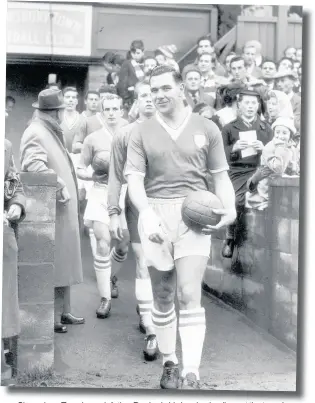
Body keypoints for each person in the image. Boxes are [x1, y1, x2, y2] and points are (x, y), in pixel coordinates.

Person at [125, 65, 236, 389]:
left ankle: (192, 372)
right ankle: (169, 362)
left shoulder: (207, 127)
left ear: (180, 89)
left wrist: (228, 207)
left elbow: (220, 177)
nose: (158, 95)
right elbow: (134, 180)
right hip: (156, 213)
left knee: (188, 292)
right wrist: (145, 213)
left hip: (193, 215)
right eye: (153, 90)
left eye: (164, 88)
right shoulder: (141, 131)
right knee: (162, 293)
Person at [20, 89, 85, 333]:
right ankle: (55, 317)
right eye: (60, 110)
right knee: (57, 262)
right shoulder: (36, 131)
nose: (62, 113)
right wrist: (58, 183)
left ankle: (64, 311)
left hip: (62, 207)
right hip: (52, 207)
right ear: (54, 112)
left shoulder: (47, 128)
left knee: (65, 262)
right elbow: (32, 164)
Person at [108, 81, 158, 360]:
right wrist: (113, 211)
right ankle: (151, 330)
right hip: (136, 206)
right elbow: (115, 176)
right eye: (143, 96)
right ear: (135, 102)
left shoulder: (170, 131)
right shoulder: (125, 134)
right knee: (143, 263)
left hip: (168, 205)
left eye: (153, 95)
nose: (149, 100)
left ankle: (152, 312)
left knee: (163, 267)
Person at [77, 93, 129, 318]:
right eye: (107, 109)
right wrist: (91, 176)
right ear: (101, 112)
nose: (111, 113)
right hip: (100, 192)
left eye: (115, 109)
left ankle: (109, 275)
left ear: (122, 110)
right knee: (102, 243)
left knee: (123, 244)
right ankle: (105, 298)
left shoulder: (132, 133)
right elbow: (80, 168)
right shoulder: (93, 138)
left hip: (126, 193)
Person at [221, 89, 272, 259]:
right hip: (238, 170)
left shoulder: (266, 129)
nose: (250, 107)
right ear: (239, 105)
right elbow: (219, 155)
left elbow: (275, 153)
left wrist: (264, 149)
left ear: (258, 106)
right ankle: (230, 236)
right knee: (236, 199)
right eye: (246, 103)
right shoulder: (229, 128)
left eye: (253, 103)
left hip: (260, 169)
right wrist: (234, 149)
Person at [2, 138, 26, 382]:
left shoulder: (5, 145)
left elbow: (13, 183)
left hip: (2, 233)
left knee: (4, 297)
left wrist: (16, 204)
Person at [246, 117, 299, 210]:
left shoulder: (292, 148)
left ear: (290, 135)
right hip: (268, 187)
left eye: (284, 133)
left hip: (284, 186)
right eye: (277, 132)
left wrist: (293, 168)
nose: (280, 136)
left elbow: (295, 169)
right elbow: (278, 169)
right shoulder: (269, 148)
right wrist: (279, 148)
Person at [117, 40, 145, 111]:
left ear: (143, 52)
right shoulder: (127, 64)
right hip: (131, 97)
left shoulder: (146, 64)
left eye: (138, 53)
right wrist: (126, 98)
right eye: (133, 53)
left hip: (143, 95)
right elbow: (122, 82)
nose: (135, 55)